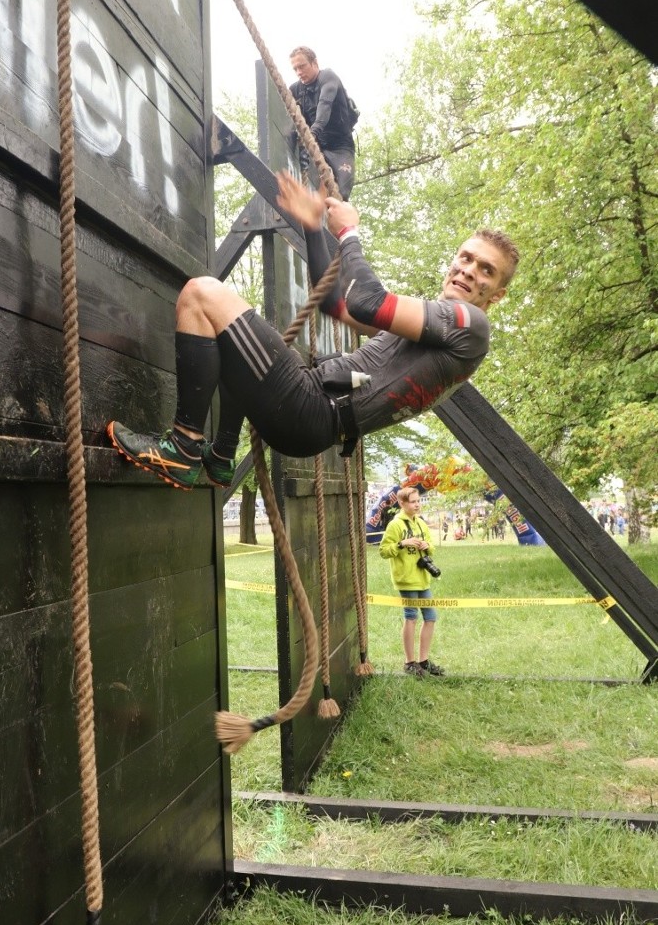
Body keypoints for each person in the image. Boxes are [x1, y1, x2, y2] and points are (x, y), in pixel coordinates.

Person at [106, 171, 519, 492]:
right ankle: (221, 455)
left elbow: (366, 302)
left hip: (311, 409)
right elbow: (336, 303)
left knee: (201, 296)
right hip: (312, 413)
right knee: (231, 341)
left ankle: (183, 447)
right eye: (466, 257)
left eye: (486, 270)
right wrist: (311, 225)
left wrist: (349, 232)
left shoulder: (470, 324)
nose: (469, 270)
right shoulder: (438, 325)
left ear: (496, 295)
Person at [379, 487, 443, 676]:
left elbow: (432, 547)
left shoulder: (421, 524)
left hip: (423, 579)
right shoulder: (395, 525)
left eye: (418, 501)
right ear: (402, 503)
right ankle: (409, 662)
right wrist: (401, 544)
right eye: (413, 501)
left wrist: (427, 546)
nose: (417, 505)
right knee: (411, 617)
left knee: (430, 618)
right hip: (406, 579)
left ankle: (423, 661)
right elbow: (383, 551)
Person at [289, 46, 356, 199]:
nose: (299, 72)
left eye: (302, 66)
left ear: (315, 62)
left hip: (340, 147)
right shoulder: (295, 90)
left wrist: (312, 134)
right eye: (295, 69)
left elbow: (325, 104)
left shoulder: (328, 77)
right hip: (318, 148)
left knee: (342, 194)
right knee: (312, 193)